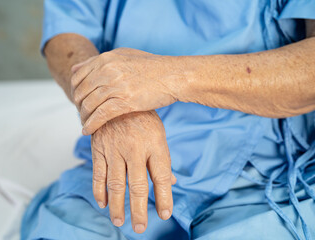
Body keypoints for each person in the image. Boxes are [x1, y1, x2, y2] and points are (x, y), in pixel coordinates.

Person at [21, 1, 315, 239]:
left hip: (264, 173)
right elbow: (67, 34)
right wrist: (118, 107)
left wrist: (167, 78)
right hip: (124, 160)